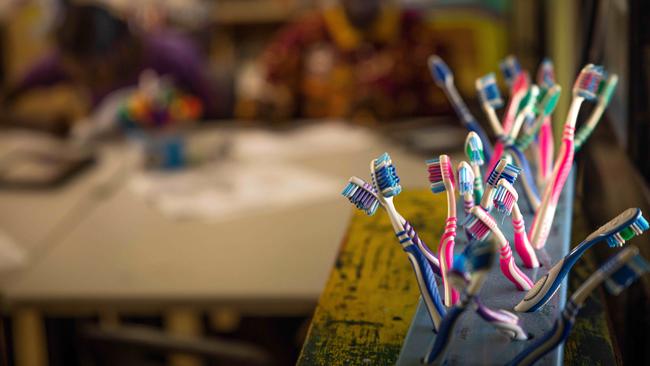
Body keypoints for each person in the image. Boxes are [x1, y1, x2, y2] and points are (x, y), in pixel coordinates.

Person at [2, 3, 219, 132]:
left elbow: (213, 118)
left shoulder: (173, 56)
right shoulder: (70, 58)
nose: (89, 82)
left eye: (94, 72)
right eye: (78, 75)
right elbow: (16, 89)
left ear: (121, 48)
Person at [251, 0, 448, 122]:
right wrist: (272, 102)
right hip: (322, 155)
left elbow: (444, 105)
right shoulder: (309, 32)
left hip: (402, 154)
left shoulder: (412, 32)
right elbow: (268, 87)